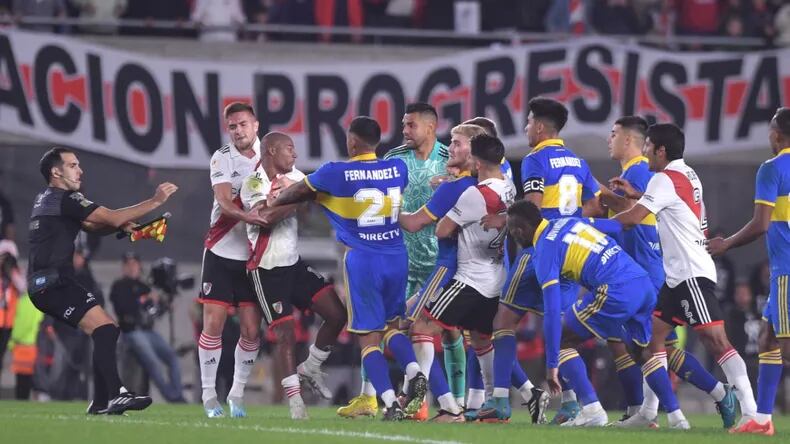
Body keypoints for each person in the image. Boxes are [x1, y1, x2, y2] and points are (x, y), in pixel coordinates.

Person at [270, 116, 428, 421]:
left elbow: (298, 192)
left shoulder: (334, 172)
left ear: (352, 142)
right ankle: (413, 370)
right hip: (397, 254)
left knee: (368, 338)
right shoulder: (398, 168)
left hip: (363, 260)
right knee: (393, 327)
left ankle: (389, 401)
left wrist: (277, 198)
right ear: (377, 142)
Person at [608, 123, 758, 428]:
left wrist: (586, 227)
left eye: (649, 145)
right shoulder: (685, 173)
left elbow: (632, 221)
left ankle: (753, 413)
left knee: (717, 341)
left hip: (690, 273)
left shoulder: (664, 179)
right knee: (654, 338)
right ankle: (649, 413)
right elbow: (673, 205)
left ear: (661, 151)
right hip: (677, 277)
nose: (646, 150)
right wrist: (637, 193)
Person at [505, 201, 690, 428]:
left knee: (563, 340)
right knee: (641, 351)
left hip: (616, 289)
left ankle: (592, 409)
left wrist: (552, 365)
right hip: (642, 283)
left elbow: (552, 310)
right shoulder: (568, 221)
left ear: (518, 231)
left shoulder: (543, 250)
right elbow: (615, 227)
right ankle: (677, 418)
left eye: (511, 231)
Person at [27, 146, 177, 414]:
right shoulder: (67, 199)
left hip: (50, 283)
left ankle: (99, 403)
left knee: (106, 330)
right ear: (55, 172)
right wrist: (155, 201)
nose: (80, 170)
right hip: (53, 284)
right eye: (73, 165)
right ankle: (116, 393)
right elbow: (112, 216)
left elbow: (95, 226)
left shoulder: (48, 198)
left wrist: (122, 226)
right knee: (106, 330)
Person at [481, 96, 601, 424]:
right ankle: (575, 403)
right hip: (571, 253)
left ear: (538, 126)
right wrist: (570, 218)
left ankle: (501, 401)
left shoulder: (536, 159)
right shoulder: (578, 162)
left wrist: (504, 219)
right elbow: (594, 205)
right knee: (560, 331)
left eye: (528, 122)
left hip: (539, 249)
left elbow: (531, 208)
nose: (525, 129)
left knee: (503, 321)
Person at [340, 102, 450, 418]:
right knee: (381, 327)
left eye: (410, 125)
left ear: (431, 126)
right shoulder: (393, 160)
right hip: (398, 259)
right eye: (403, 125)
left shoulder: (449, 161)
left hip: (436, 262)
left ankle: (440, 401)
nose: (404, 131)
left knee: (439, 334)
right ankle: (369, 397)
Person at [239, 131, 347, 419]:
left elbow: (308, 210)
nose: (295, 154)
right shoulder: (252, 182)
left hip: (293, 264)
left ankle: (310, 368)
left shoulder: (297, 175)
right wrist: (297, 201)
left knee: (337, 314)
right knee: (285, 335)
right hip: (266, 268)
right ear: (272, 151)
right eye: (289, 149)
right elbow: (264, 218)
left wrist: (292, 201)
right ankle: (296, 403)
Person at [410, 134, 515, 422]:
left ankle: (446, 406)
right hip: (496, 276)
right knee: (481, 340)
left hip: (470, 280)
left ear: (477, 161)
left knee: (421, 325)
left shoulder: (473, 194)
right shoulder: (508, 189)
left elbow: (441, 231)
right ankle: (496, 405)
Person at [708, 107, 790, 435]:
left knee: (785, 348)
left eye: (770, 129)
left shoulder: (772, 168)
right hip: (781, 273)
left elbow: (760, 224)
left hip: (787, 271)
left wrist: (725, 244)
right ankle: (762, 418)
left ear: (778, 133)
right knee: (769, 340)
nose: (768, 135)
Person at [198, 102, 267, 418]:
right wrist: (249, 216)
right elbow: (224, 201)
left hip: (253, 256)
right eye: (232, 126)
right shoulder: (222, 158)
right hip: (221, 251)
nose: (238, 131)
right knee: (214, 323)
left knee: (252, 331)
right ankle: (210, 396)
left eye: (243, 124)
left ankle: (237, 394)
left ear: (255, 124)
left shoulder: (272, 157)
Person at [110, 252, 185, 403]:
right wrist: (143, 300)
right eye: (128, 265)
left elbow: (154, 312)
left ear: (139, 266)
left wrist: (164, 304)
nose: (131, 268)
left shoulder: (144, 286)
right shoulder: (119, 286)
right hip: (131, 331)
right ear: (123, 267)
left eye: (134, 264)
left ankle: (177, 393)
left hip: (148, 331)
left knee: (172, 357)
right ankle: (173, 398)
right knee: (154, 363)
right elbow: (123, 308)